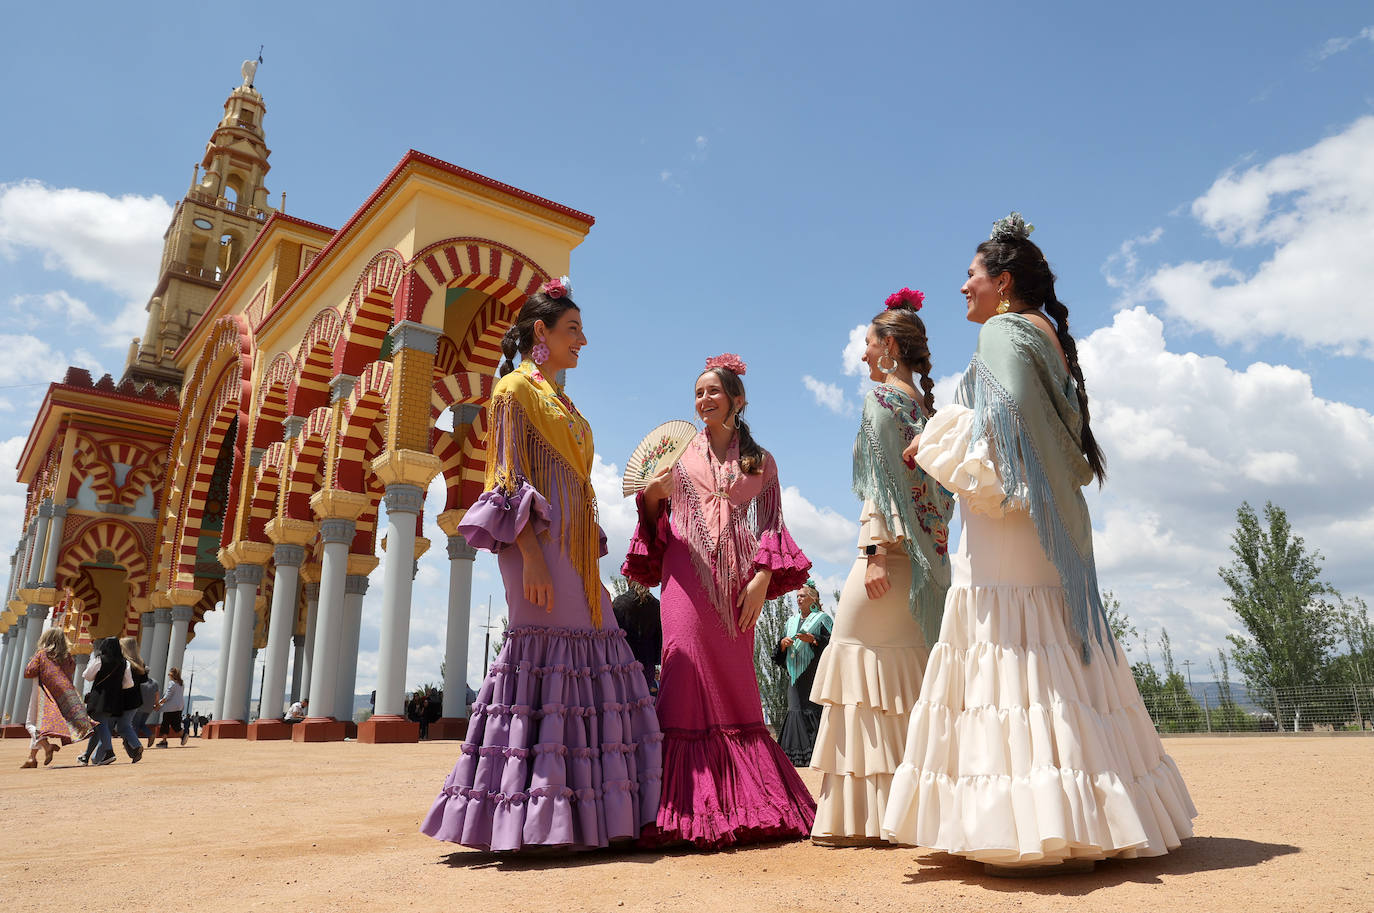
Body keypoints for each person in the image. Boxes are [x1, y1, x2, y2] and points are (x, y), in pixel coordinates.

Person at [881, 214, 1196, 872]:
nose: (962, 286)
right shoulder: (1045, 332)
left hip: (1007, 519)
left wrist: (932, 442)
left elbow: (1004, 430)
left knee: (1012, 650)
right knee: (1056, 657)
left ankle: (1026, 826)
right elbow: (1039, 428)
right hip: (1053, 525)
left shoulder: (1003, 330)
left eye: (971, 275)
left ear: (1001, 281)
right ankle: (1087, 816)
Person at [422, 278, 663, 853]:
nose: (583, 340)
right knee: (548, 655)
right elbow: (506, 477)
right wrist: (529, 552)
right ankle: (539, 817)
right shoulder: (512, 390)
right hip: (540, 549)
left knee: (600, 646)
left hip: (573, 549)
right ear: (542, 334)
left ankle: (595, 814)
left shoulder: (560, 398)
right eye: (573, 329)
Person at [624, 352, 815, 848]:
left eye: (713, 391)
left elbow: (772, 524)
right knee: (682, 670)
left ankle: (746, 801)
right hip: (683, 575)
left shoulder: (761, 461)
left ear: (737, 399)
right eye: (699, 392)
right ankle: (675, 803)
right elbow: (654, 522)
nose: (703, 399)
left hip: (738, 583)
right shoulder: (678, 455)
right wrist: (651, 494)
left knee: (736, 684)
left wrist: (761, 579)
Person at [808, 289, 954, 845]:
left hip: (886, 560)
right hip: (928, 565)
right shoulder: (928, 413)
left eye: (868, 343)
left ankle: (861, 819)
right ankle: (914, 811)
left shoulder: (881, 405)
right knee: (910, 682)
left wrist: (871, 552)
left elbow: (877, 485)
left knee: (852, 668)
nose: (863, 354)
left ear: (890, 346)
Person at [770, 580, 832, 767]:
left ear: (812, 598)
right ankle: (796, 757)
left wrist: (813, 640)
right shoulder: (791, 621)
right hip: (794, 672)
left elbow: (833, 644)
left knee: (812, 708)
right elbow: (778, 651)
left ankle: (818, 755)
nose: (798, 599)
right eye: (797, 596)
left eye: (802, 596)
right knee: (795, 708)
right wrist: (783, 644)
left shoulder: (823, 619)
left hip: (814, 671)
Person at [20, 628, 93, 768]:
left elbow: (29, 672)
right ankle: (32, 758)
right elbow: (71, 671)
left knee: (31, 723)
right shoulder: (67, 657)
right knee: (38, 723)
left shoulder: (42, 654)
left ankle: (47, 746)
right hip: (61, 695)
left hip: (42, 692)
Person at [79, 637, 137, 765]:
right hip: (115, 698)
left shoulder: (100, 660)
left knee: (101, 724)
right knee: (100, 725)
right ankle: (86, 756)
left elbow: (87, 676)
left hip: (99, 696)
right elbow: (128, 684)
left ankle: (109, 752)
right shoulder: (124, 662)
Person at [610, 581, 662, 695]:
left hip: (624, 662)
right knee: (644, 702)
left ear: (629, 581)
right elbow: (659, 638)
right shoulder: (656, 605)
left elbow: (612, 636)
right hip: (648, 664)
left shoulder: (619, 603)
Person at [119, 636, 152, 760]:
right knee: (125, 726)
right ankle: (133, 751)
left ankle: (136, 746)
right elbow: (144, 680)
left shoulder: (124, 662)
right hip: (136, 699)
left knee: (124, 726)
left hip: (124, 698)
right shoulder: (140, 662)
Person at [151, 667, 187, 747]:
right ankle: (183, 735)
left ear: (172, 675)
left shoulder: (172, 683)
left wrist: (158, 704)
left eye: (169, 674)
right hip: (179, 707)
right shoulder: (181, 684)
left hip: (170, 708)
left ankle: (164, 741)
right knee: (176, 724)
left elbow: (167, 696)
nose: (168, 676)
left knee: (165, 724)